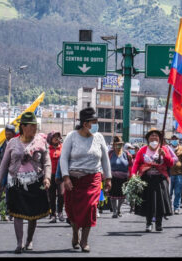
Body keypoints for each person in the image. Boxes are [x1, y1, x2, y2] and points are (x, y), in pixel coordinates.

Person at [0, 112, 51, 253]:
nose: (34, 129)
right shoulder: (12, 143)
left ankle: (29, 240)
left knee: (33, 214)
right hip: (16, 183)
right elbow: (4, 164)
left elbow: (47, 162)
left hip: (35, 182)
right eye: (31, 126)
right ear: (23, 127)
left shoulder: (41, 141)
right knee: (17, 213)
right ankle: (19, 243)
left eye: (36, 126)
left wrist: (47, 178)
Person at [60, 107, 112, 252]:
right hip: (74, 179)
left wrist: (108, 178)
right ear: (85, 123)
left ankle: (84, 240)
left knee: (90, 208)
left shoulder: (99, 137)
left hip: (92, 178)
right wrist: (65, 177)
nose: (96, 125)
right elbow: (63, 158)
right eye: (93, 122)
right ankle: (75, 233)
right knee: (73, 209)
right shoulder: (71, 136)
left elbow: (105, 159)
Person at [131, 128, 173, 232]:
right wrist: (133, 174)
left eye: (156, 136)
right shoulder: (143, 150)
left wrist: (165, 155)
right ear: (148, 138)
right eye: (151, 135)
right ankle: (148, 223)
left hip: (160, 179)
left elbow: (171, 163)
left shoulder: (164, 149)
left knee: (160, 202)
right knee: (148, 201)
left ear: (159, 139)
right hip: (147, 179)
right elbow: (136, 163)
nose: (154, 137)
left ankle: (159, 223)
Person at [108, 136, 132, 218]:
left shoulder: (126, 153)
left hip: (124, 178)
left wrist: (131, 175)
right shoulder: (110, 153)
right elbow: (106, 164)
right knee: (113, 196)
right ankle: (114, 211)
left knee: (122, 197)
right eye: (117, 145)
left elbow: (131, 165)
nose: (119, 146)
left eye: (120, 145)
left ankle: (118, 209)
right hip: (113, 178)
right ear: (114, 145)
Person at [47, 130, 65, 223]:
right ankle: (53, 214)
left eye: (58, 136)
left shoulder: (63, 148)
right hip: (50, 175)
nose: (57, 138)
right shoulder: (47, 149)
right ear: (50, 138)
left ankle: (60, 212)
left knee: (62, 194)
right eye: (54, 136)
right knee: (51, 195)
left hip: (61, 175)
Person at [168, 135, 182, 215]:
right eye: (173, 139)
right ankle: (168, 208)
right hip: (169, 174)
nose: (174, 140)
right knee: (168, 193)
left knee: (178, 192)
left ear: (178, 140)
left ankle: (176, 208)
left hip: (179, 174)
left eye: (176, 139)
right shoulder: (167, 149)